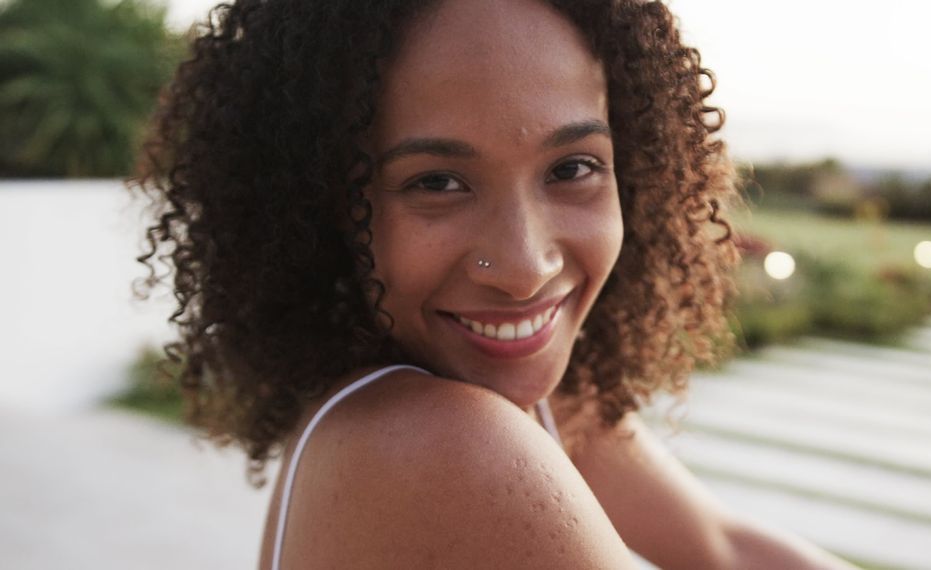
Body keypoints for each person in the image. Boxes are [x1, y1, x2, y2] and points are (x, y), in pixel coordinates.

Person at [134, 0, 857, 568]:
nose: (524, 267)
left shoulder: (537, 406)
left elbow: (725, 550)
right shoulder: (445, 443)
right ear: (317, 209)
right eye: (437, 182)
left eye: (572, 167)